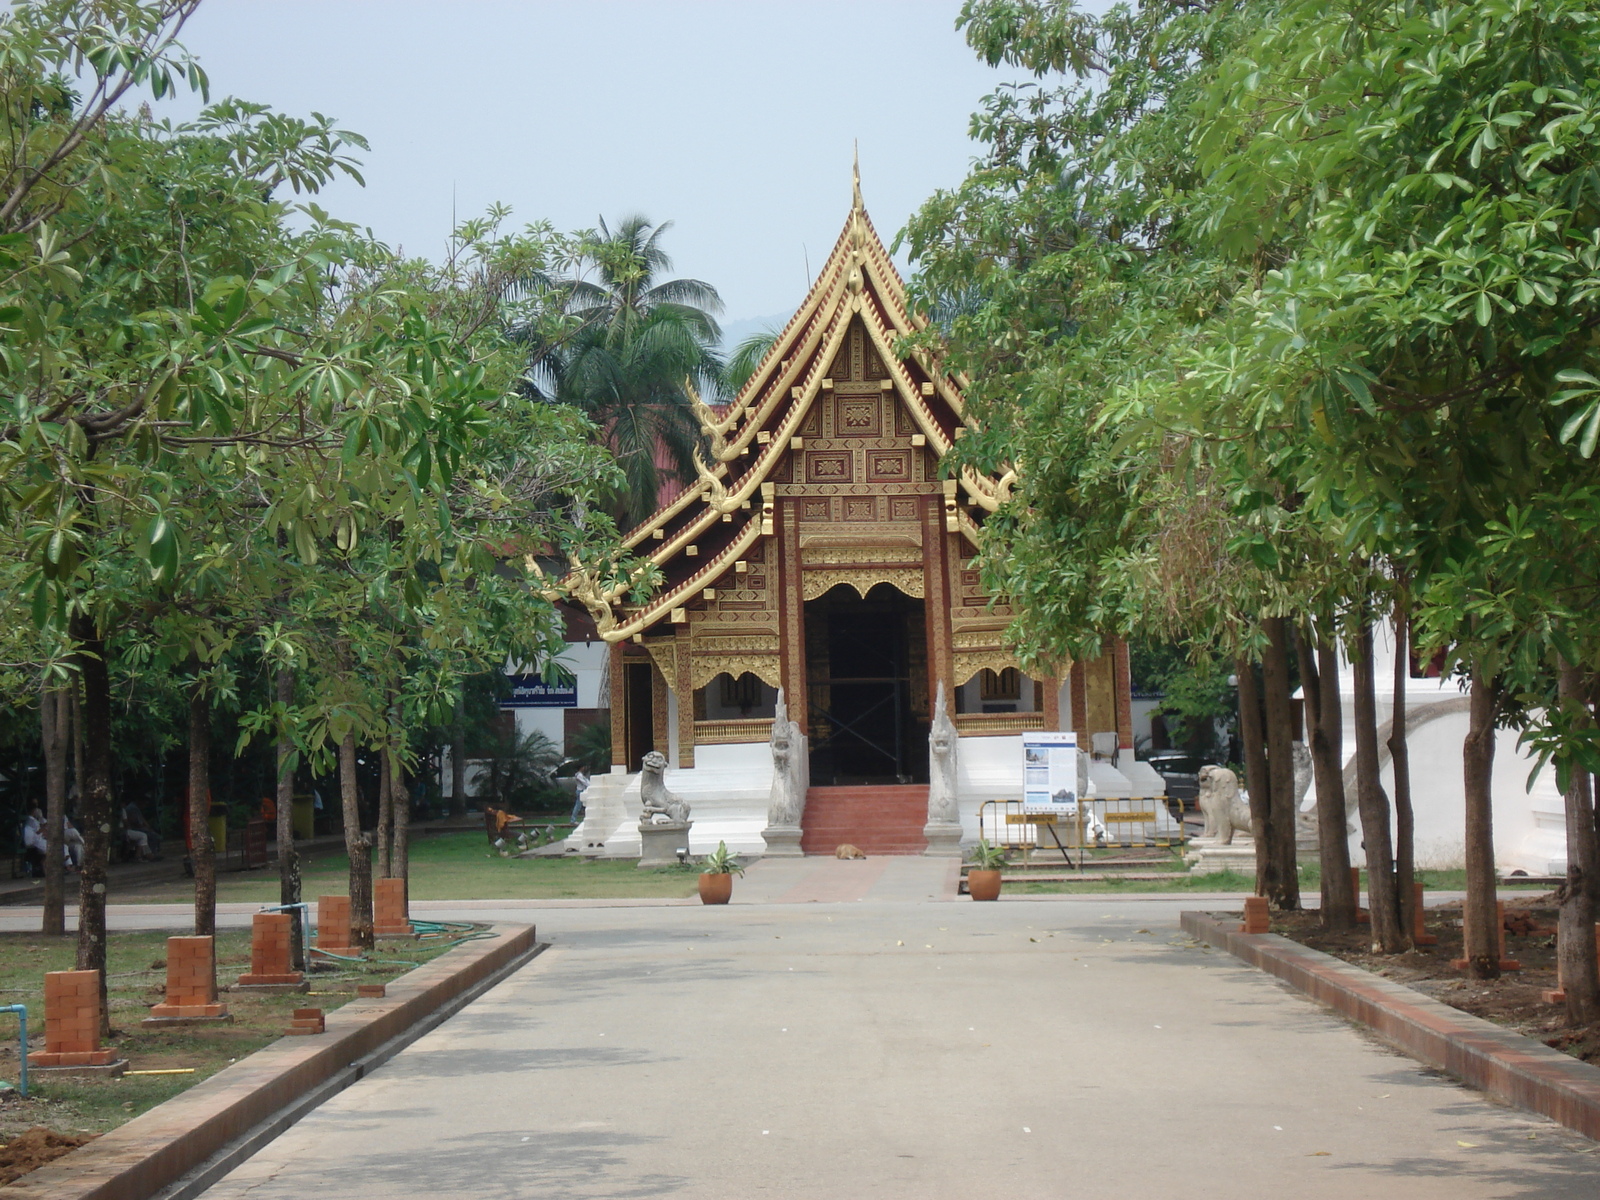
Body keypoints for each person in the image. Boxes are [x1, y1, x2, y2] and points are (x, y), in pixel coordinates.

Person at [21, 807, 46, 877]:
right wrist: (43, 828)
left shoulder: (34, 820)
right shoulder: (30, 820)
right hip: (33, 842)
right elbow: (38, 832)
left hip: (36, 841)